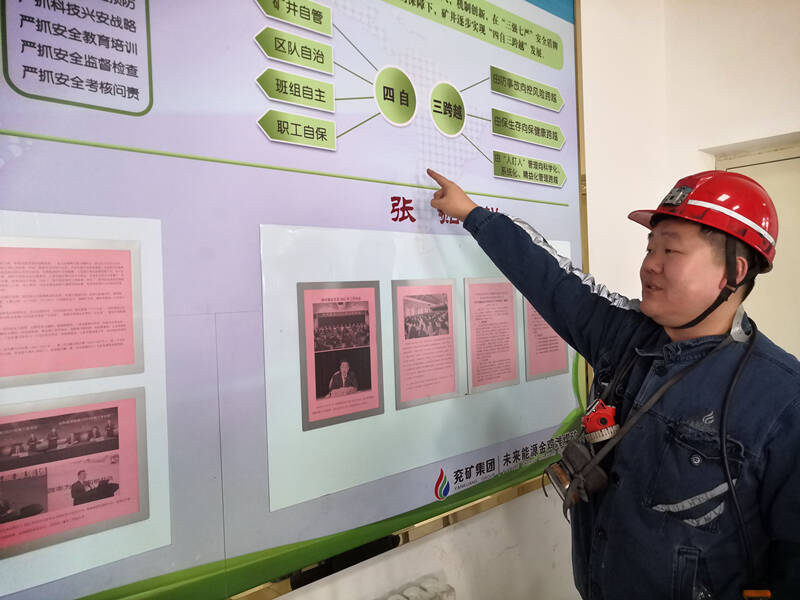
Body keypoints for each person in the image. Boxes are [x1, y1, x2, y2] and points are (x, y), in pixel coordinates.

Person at [427, 168, 800, 599]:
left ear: (734, 272)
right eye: (650, 247)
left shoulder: (782, 401)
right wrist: (473, 215)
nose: (650, 265)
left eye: (671, 250)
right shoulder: (623, 336)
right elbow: (550, 280)